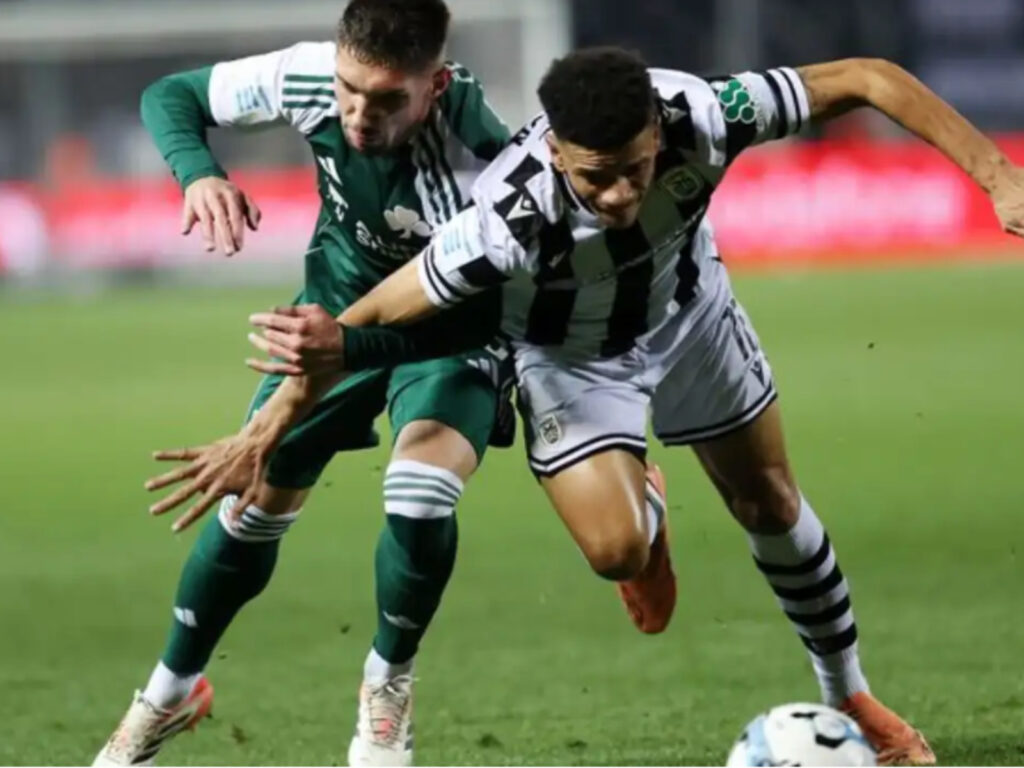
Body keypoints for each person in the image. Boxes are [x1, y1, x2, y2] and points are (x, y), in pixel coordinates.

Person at [147, 48, 1024, 765]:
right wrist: (266, 427)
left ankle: (851, 699)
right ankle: (647, 505)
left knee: (770, 504)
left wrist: (998, 178)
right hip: (570, 361)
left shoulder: (703, 112)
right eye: (597, 178)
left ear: (656, 133)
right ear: (559, 154)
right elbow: (364, 321)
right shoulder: (505, 213)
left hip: (690, 315)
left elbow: (869, 77)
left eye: (636, 168)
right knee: (616, 553)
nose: (621, 194)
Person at [93, 1, 519, 765]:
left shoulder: (485, 154)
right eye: (350, 89)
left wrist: (352, 347)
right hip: (335, 312)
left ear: (435, 86)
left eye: (387, 100)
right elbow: (171, 96)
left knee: (421, 492)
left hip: (444, 331)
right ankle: (169, 692)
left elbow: (486, 312)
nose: (358, 115)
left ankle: (387, 683)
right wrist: (199, 174)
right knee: (249, 504)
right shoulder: (307, 76)